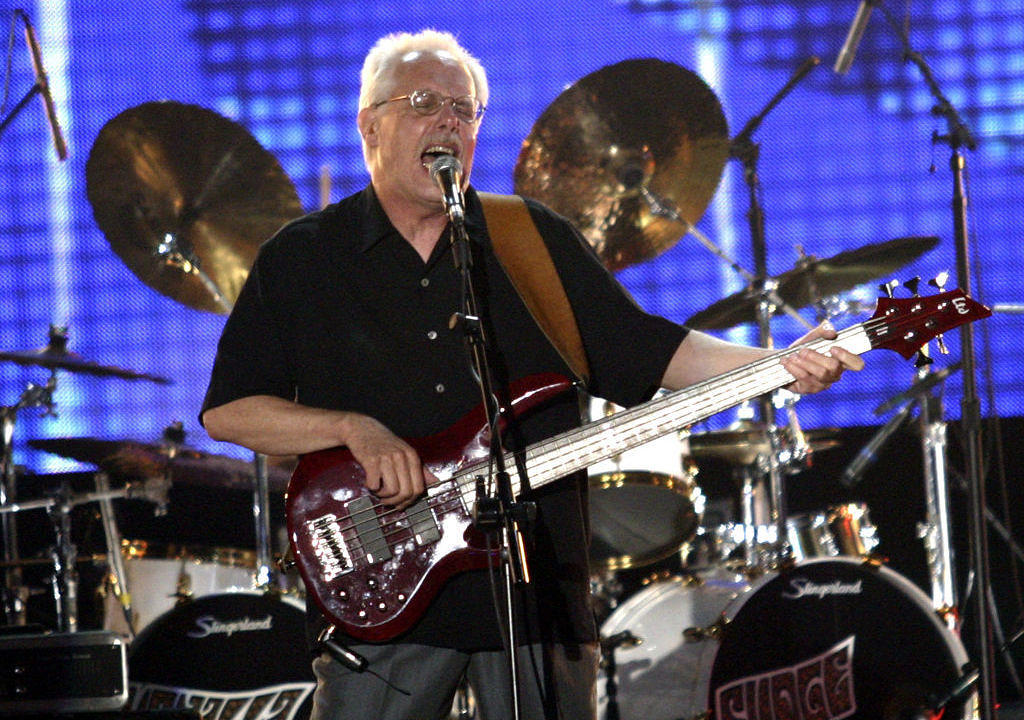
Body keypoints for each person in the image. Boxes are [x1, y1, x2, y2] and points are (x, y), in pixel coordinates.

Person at [200, 28, 864, 720]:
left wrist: (779, 365)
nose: (448, 122)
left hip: (535, 591)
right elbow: (229, 411)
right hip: (380, 596)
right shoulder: (303, 257)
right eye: (424, 103)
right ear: (370, 125)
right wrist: (351, 429)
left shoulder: (528, 238)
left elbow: (648, 350)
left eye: (464, 110)